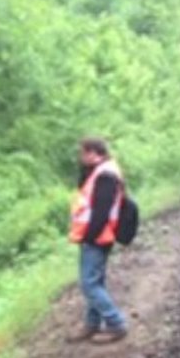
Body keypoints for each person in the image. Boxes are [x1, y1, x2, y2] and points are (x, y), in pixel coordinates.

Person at [67, 137, 128, 343]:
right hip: (96, 235)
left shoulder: (106, 175)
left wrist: (89, 237)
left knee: (89, 284)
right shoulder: (100, 171)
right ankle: (92, 324)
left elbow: (101, 211)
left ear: (93, 153)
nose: (80, 157)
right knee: (95, 280)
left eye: (83, 153)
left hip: (98, 236)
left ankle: (116, 323)